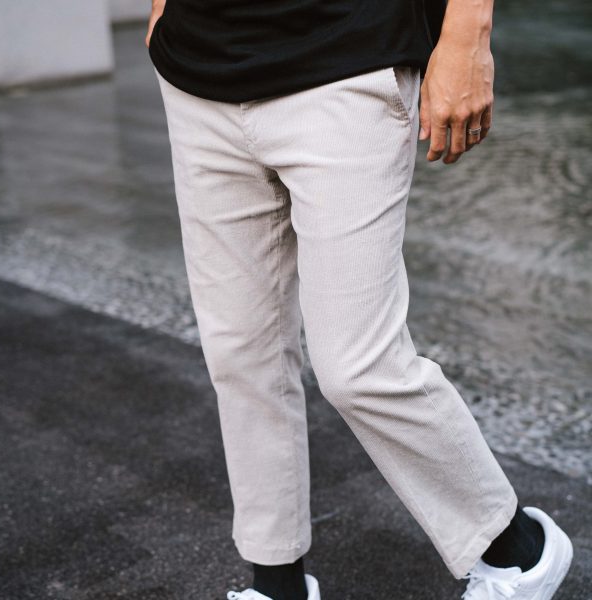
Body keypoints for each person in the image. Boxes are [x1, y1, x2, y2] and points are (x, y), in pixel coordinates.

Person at [145, 0, 574, 598]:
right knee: (241, 354)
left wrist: (467, 34)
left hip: (346, 61)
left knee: (359, 367)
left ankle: (519, 551)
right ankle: (277, 583)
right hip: (198, 75)